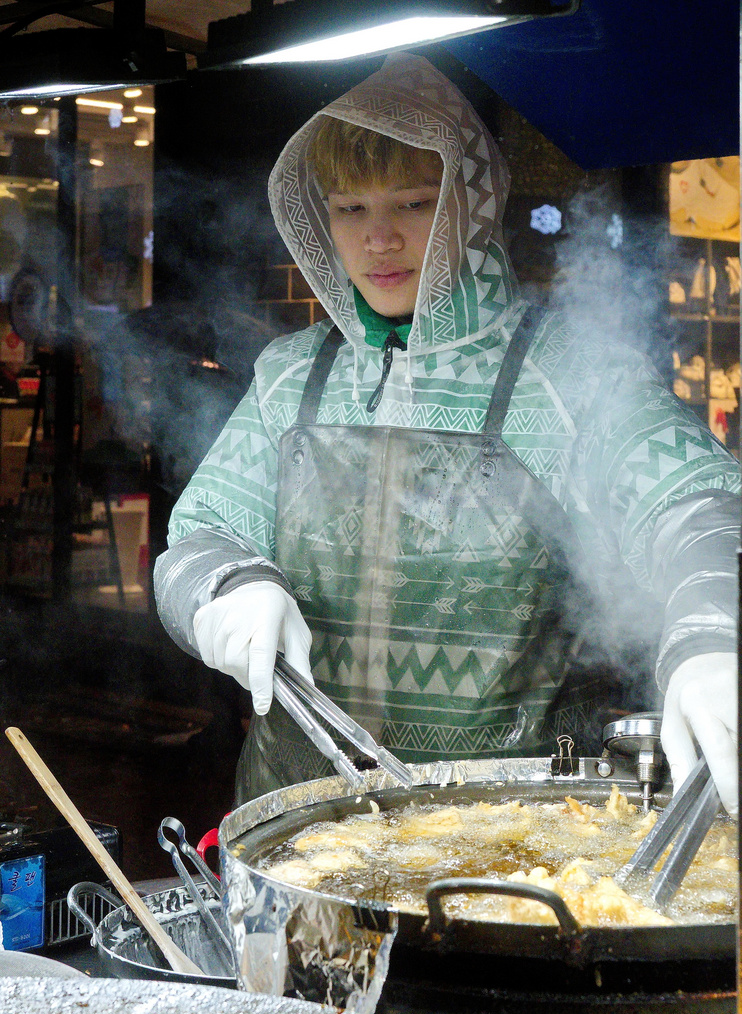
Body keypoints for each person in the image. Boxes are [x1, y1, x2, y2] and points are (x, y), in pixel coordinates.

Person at [154, 53, 739, 813]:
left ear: (472, 203)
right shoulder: (292, 375)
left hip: (514, 844)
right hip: (300, 832)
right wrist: (223, 585)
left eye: (415, 203)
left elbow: (697, 506)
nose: (381, 240)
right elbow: (198, 536)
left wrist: (710, 631)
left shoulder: (569, 374)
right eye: (351, 209)